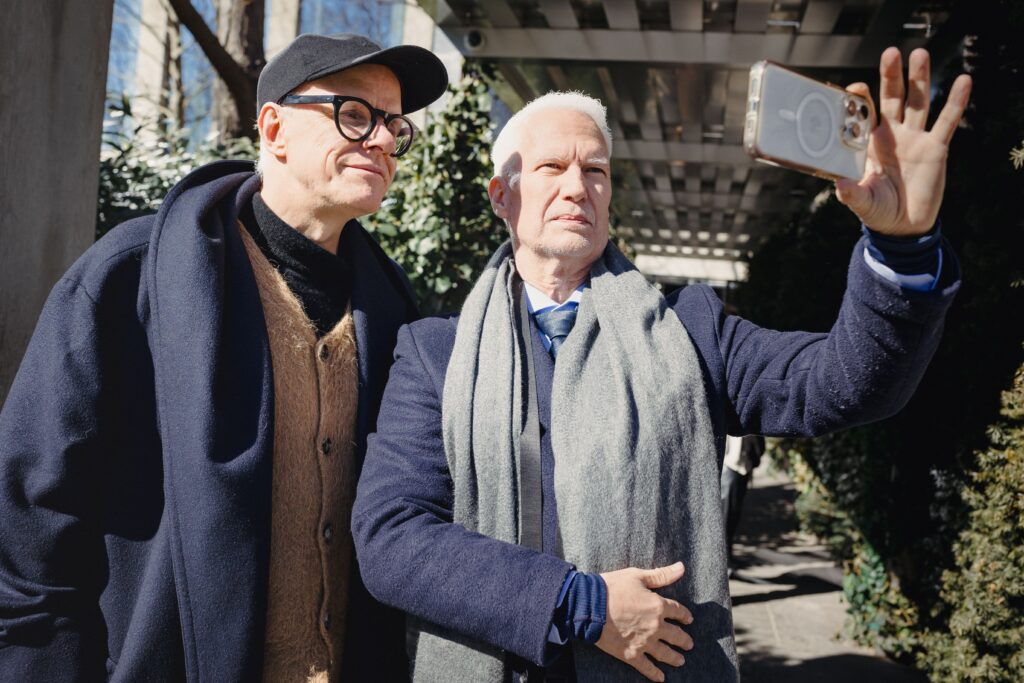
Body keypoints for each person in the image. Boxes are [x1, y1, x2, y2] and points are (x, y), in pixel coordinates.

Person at [351, 47, 971, 682]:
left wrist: (902, 247)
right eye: (552, 166)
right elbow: (391, 537)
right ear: (501, 196)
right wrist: (579, 605)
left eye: (596, 170)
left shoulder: (690, 329)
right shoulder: (435, 353)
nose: (577, 186)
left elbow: (840, 385)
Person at [0, 33, 447, 681]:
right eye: (355, 114)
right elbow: (27, 534)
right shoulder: (130, 280)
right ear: (274, 128)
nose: (381, 140)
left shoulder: (399, 316)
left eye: (394, 125)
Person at [720, 433, 766, 571]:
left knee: (734, 514)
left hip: (744, 466)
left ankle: (728, 557)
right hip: (729, 465)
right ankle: (724, 562)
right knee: (725, 516)